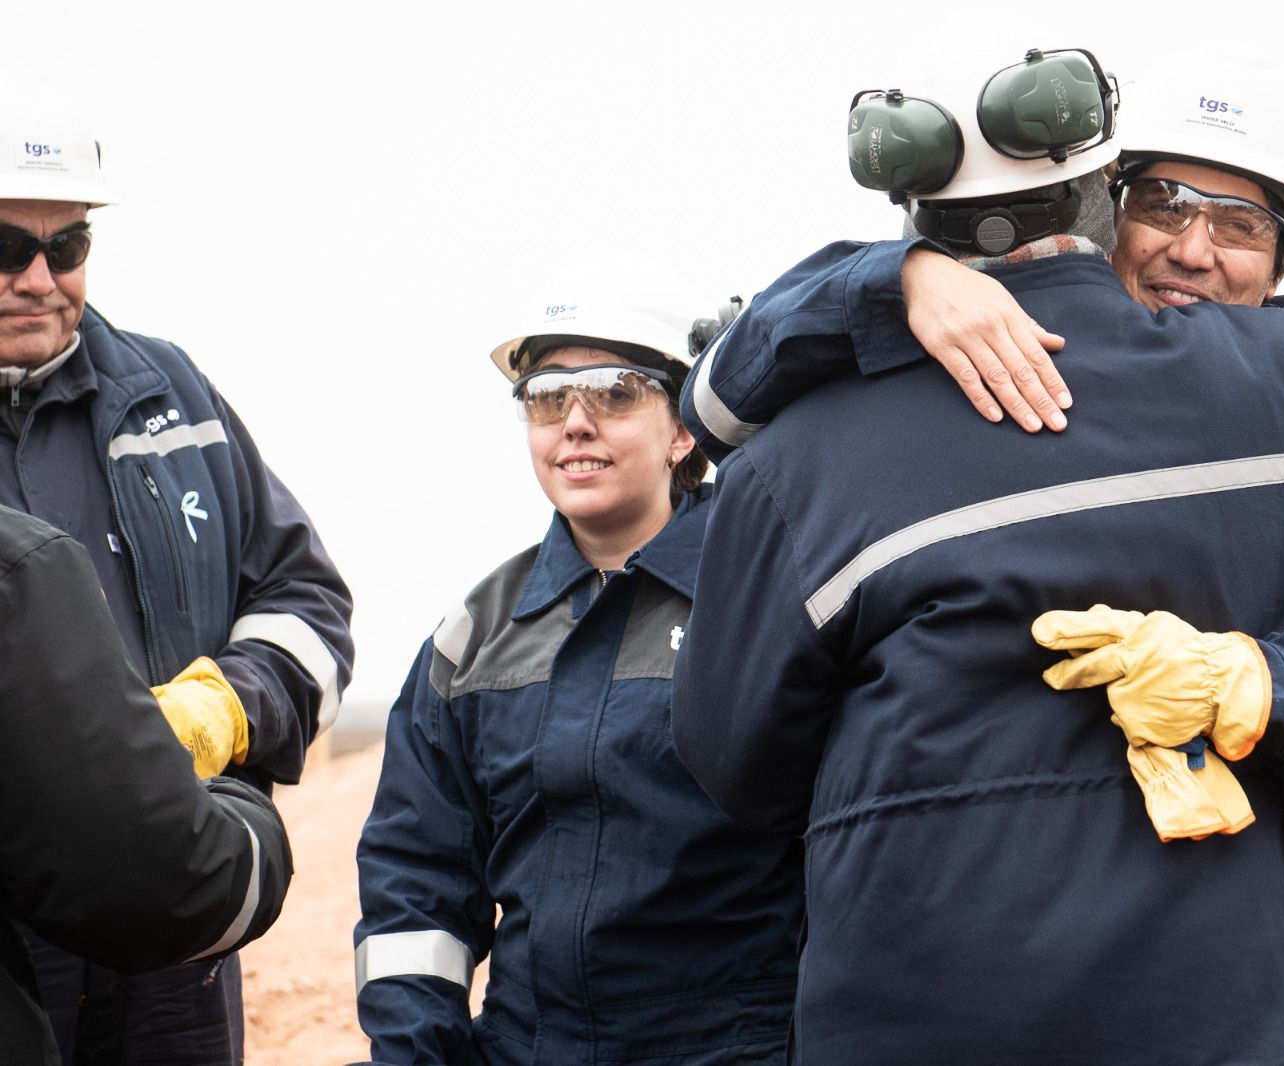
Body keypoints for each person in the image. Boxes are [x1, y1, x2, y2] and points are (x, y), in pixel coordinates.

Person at [670, 43, 1284, 1065]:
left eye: (1240, 224)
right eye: (1164, 203)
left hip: (1213, 1000)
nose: (1193, 250)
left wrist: (1255, 684)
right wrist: (894, 277)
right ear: (1101, 206)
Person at [0, 83, 354, 1063]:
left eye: (65, 246)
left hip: (174, 947)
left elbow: (306, 602)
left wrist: (226, 709)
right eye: (5, 248)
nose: (39, 278)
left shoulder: (172, 401)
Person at [353, 301, 803, 1064]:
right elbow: (416, 885)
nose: (575, 422)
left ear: (685, 429)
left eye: (615, 392)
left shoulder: (768, 601)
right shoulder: (475, 639)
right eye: (547, 397)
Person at [1, 505, 294, 1066]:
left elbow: (303, 593)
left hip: (177, 1004)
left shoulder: (196, 419)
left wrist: (232, 700)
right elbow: (175, 878)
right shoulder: (21, 565)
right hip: (60, 960)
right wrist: (254, 823)